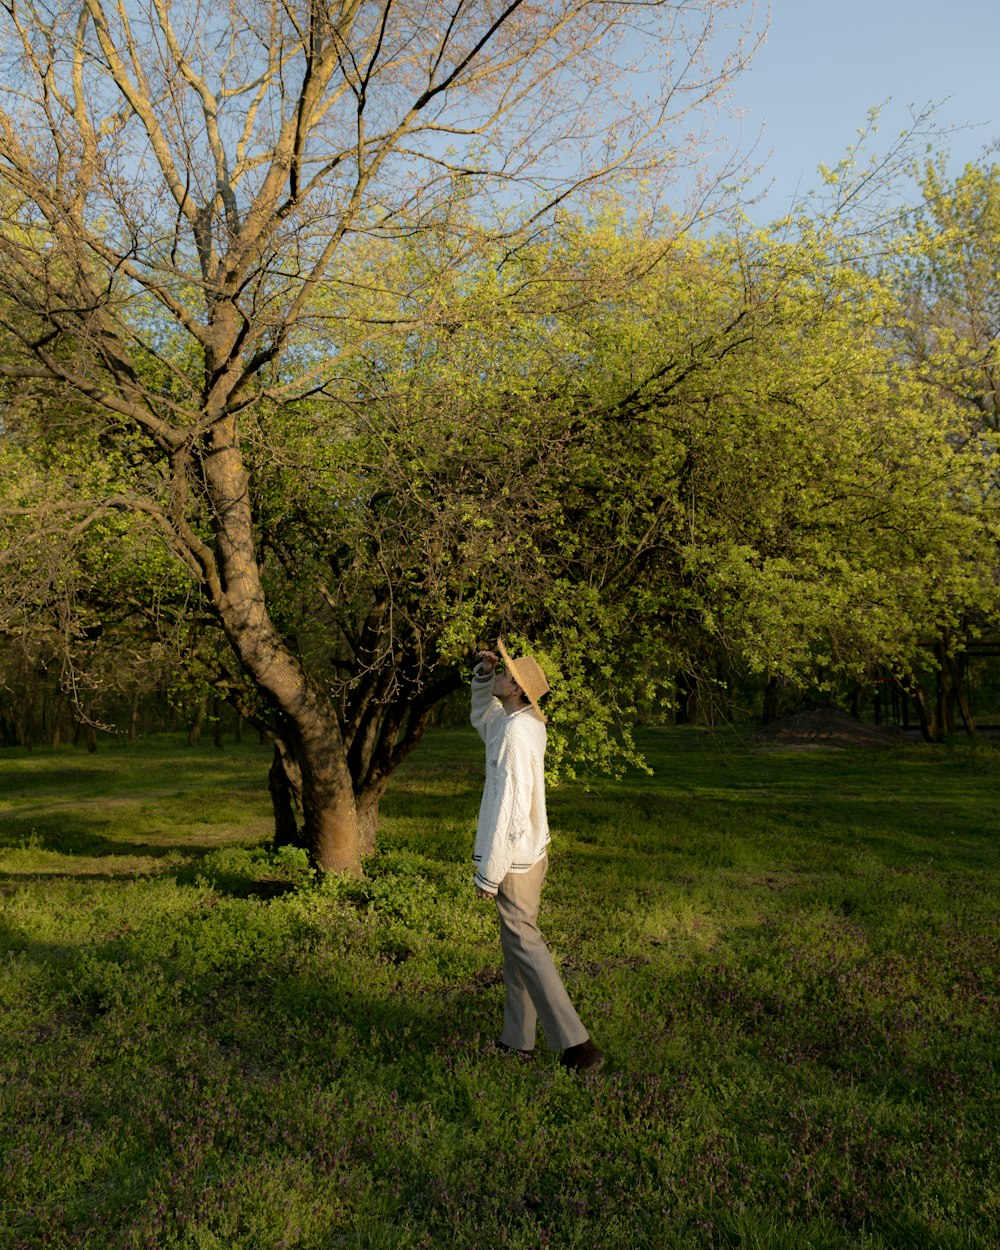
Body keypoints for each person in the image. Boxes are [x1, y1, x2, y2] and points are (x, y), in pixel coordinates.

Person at [470, 639, 603, 1073]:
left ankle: (578, 1046)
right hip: (528, 853)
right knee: (516, 949)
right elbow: (482, 719)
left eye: (506, 674)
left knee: (526, 944)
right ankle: (517, 1041)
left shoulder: (515, 734)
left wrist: (490, 873)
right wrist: (485, 677)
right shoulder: (518, 722)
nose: (502, 674)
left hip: (515, 860)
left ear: (521, 690)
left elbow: (510, 805)